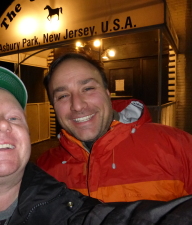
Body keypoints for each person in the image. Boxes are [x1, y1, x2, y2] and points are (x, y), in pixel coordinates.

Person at [0, 66, 192, 225]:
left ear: (108, 91)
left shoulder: (65, 208)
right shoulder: (50, 167)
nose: (2, 124)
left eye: (13, 117)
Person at [37, 52, 192, 203]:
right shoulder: (43, 170)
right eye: (63, 96)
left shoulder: (179, 147)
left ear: (107, 93)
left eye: (88, 89)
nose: (77, 105)